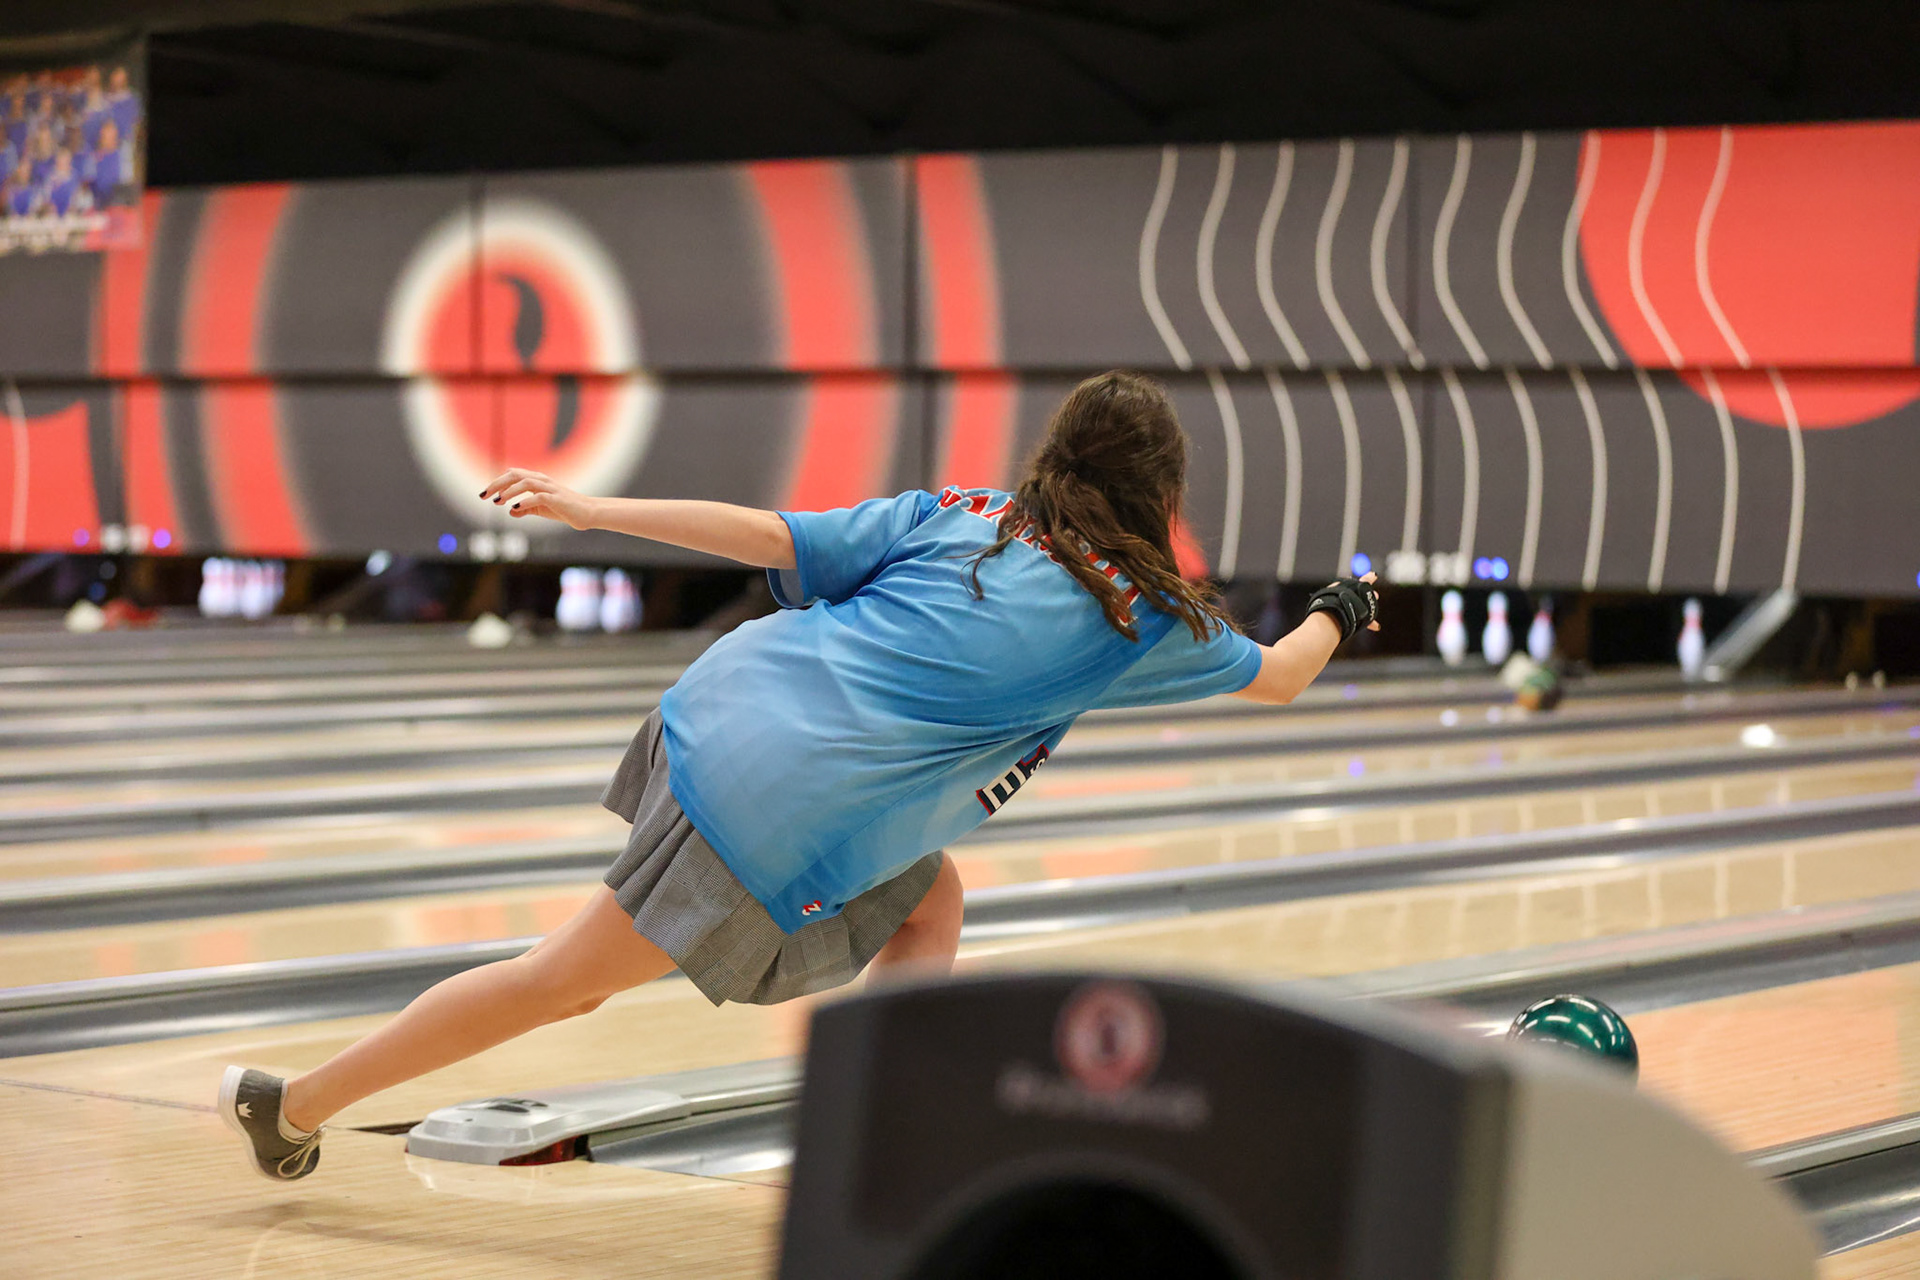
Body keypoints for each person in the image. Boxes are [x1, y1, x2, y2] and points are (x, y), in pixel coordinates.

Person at [216, 371, 1382, 1180]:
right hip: (771, 803)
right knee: (562, 980)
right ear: (1158, 493)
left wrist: (593, 508)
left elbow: (769, 534)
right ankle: (297, 1103)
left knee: (932, 896)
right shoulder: (1141, 619)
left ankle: (883, 1121)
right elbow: (1280, 676)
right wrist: (1342, 605)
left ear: (1057, 453)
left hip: (719, 707)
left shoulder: (964, 513)